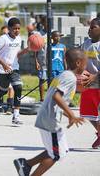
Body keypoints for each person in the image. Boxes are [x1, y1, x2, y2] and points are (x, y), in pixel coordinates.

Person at [13, 48, 86, 176]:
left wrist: (66, 114)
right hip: (49, 120)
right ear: (79, 63)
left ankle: (26, 164)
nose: (86, 66)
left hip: (48, 117)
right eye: (85, 62)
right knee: (55, 155)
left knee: (60, 150)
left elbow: (53, 100)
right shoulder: (70, 78)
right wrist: (71, 115)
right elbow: (56, 97)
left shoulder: (63, 75)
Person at [0, 17, 30, 125]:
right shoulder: (3, 39)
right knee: (4, 90)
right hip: (2, 69)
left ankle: (16, 115)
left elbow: (17, 53)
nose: (17, 31)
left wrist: (26, 50)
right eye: (15, 28)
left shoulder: (19, 39)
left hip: (14, 68)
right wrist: (4, 64)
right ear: (9, 28)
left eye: (19, 28)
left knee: (18, 87)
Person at [80, 17, 100, 149]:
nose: (90, 29)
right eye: (90, 27)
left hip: (97, 79)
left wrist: (94, 76)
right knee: (87, 112)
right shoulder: (86, 43)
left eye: (93, 27)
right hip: (89, 83)